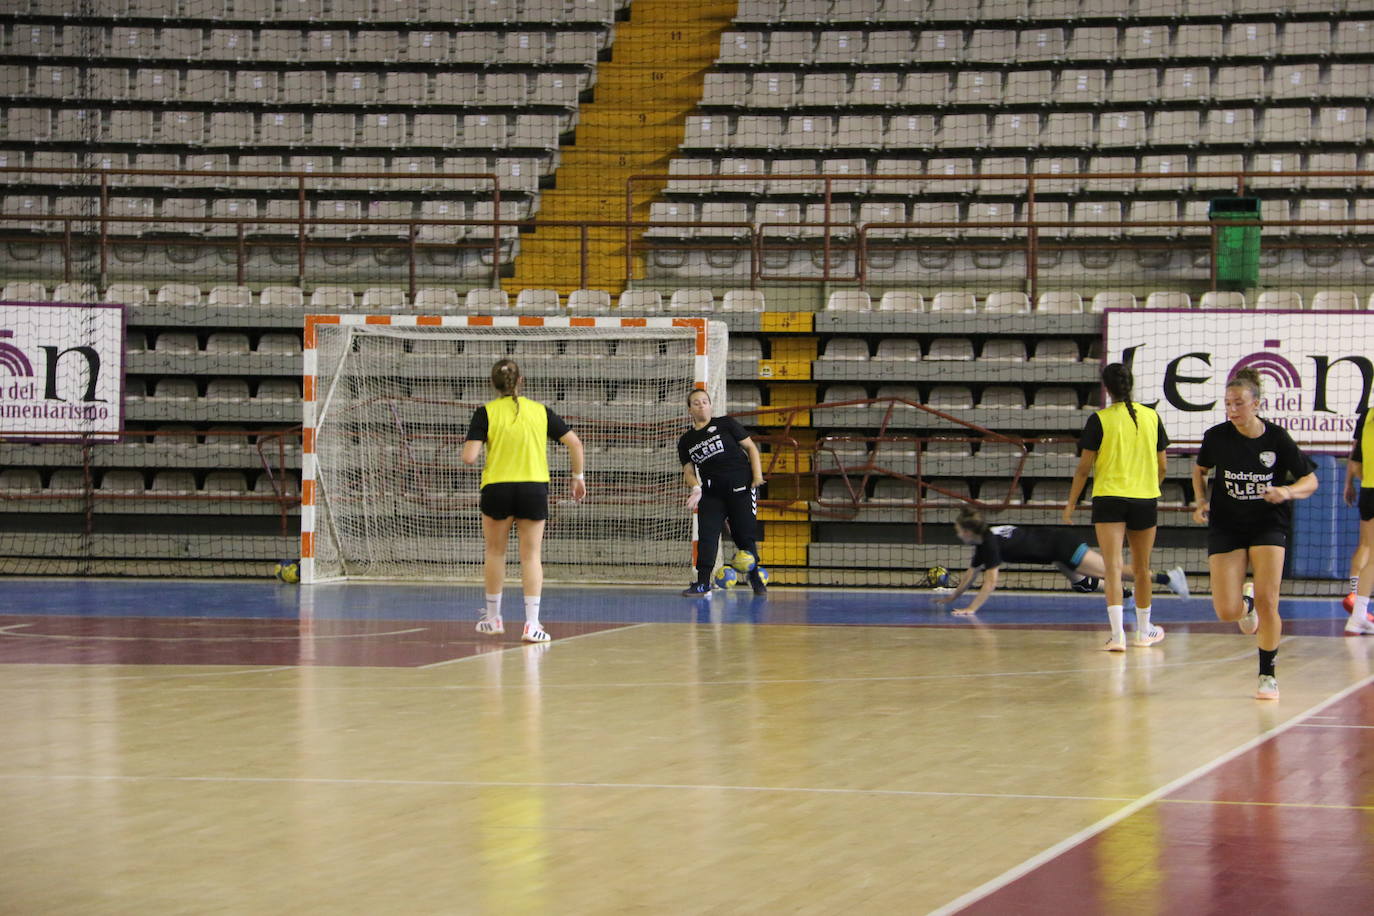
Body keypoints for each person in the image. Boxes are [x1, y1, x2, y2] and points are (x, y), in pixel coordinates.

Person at [1191, 368, 1319, 698]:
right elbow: (1200, 469)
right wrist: (1201, 500)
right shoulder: (1217, 436)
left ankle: (1267, 673)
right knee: (1227, 611)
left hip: (1268, 523)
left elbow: (1311, 480)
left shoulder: (1276, 438)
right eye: (1228, 404)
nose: (1232, 410)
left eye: (1239, 404)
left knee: (1269, 600)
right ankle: (1244, 605)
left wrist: (1287, 492)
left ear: (1256, 404)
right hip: (1227, 525)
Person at [462, 358, 586, 643]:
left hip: (497, 488)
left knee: (495, 552)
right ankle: (532, 624)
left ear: (492, 384)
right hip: (533, 487)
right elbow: (575, 443)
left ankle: (493, 618)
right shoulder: (540, 411)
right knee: (530, 556)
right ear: (521, 381)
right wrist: (577, 477)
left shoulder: (485, 413)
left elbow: (469, 457)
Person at [1062, 363, 1171, 651]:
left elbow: (1083, 470)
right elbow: (1163, 466)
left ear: (1106, 389)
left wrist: (1071, 505)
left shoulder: (1100, 420)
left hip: (1109, 498)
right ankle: (1144, 631)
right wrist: (1151, 485)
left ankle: (1117, 636)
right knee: (1142, 568)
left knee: (1111, 568)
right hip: (1144, 498)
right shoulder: (1152, 417)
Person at [931, 509, 1190, 616]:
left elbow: (990, 582)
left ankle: (1168, 578)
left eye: (958, 530)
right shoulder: (983, 541)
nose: (957, 534)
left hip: (1062, 546)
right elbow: (970, 574)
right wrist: (953, 598)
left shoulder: (988, 543)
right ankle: (1128, 595)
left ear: (968, 532)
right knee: (1081, 584)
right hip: (1055, 551)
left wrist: (972, 609)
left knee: (1116, 571)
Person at [678, 387, 767, 596]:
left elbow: (751, 448)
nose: (701, 405)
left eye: (704, 401)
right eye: (696, 402)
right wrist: (696, 487)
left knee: (744, 537)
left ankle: (756, 580)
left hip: (740, 489)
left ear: (710, 405)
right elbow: (688, 470)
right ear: (689, 409)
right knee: (707, 537)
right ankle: (702, 582)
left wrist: (757, 476)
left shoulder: (726, 424)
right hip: (711, 494)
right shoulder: (686, 441)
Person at [1342, 407, 1374, 618]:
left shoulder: (1368, 414)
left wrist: (1349, 483)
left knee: (1366, 546)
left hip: (1368, 488)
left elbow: (1355, 456)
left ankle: (1355, 595)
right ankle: (1358, 601)